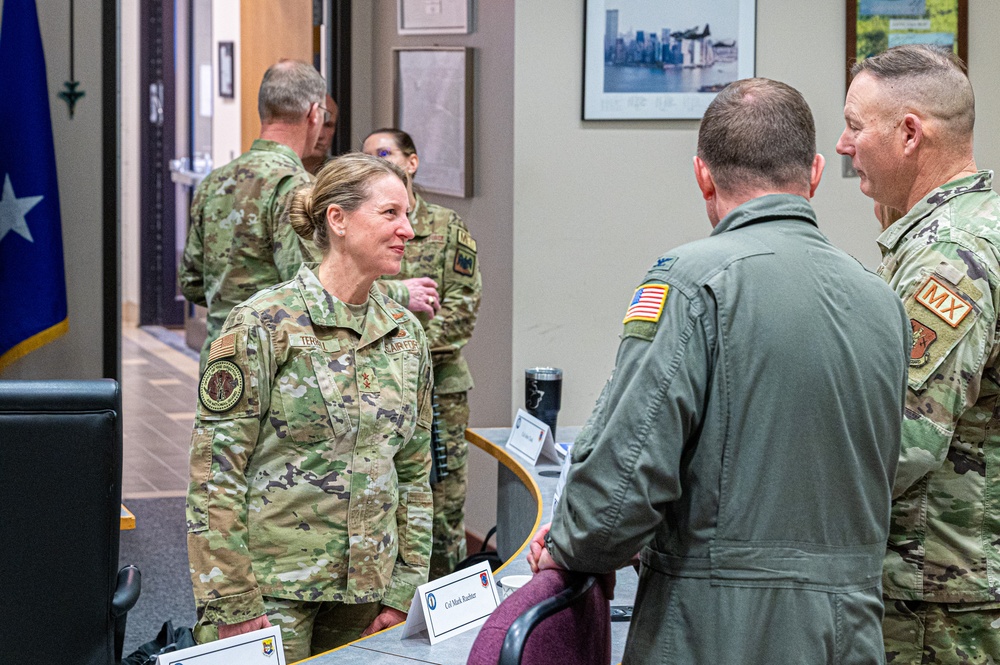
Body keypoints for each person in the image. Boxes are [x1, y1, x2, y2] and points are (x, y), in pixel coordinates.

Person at [527, 78, 911, 664]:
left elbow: (624, 481)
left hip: (715, 630)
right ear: (811, 173)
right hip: (851, 631)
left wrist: (574, 544)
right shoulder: (881, 300)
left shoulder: (688, 283)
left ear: (702, 174)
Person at [186, 153, 434, 662]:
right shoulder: (262, 324)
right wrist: (231, 598)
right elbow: (216, 473)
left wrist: (405, 586)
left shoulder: (406, 334)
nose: (407, 230)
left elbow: (413, 472)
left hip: (369, 589)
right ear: (336, 219)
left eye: (407, 215)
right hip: (272, 591)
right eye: (391, 213)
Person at [836, 44, 1000, 664]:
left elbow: (903, 439)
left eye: (855, 126)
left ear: (909, 134)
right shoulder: (958, 229)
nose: (844, 146)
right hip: (942, 586)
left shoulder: (950, 257)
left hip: (940, 600)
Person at [363, 128, 482, 579]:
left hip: (438, 394)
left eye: (385, 152)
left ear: (411, 162)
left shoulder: (447, 229)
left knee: (441, 513)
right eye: (368, 154)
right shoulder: (361, 227)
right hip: (372, 393)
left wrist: (397, 351)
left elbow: (461, 314)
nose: (376, 158)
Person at [179, 59, 326, 370]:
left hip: (219, 361)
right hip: (276, 367)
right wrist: (399, 292)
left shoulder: (215, 181)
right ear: (314, 113)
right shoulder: (297, 187)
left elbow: (191, 282)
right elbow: (312, 286)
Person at [301, 94, 338, 175]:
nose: (320, 135)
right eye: (313, 123)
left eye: (328, 125)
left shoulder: (340, 174)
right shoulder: (275, 167)